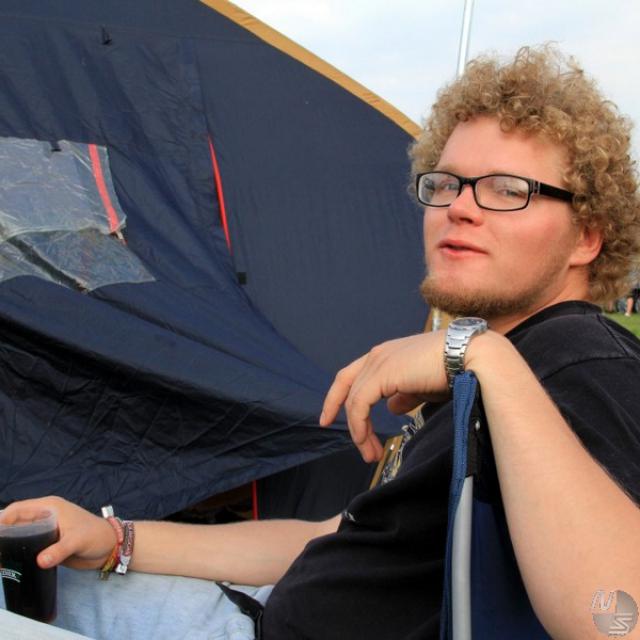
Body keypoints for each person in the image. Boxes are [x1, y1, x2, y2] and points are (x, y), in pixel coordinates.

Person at [2, 45, 640, 640]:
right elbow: (334, 536)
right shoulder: (504, 378)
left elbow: (617, 620)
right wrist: (117, 539)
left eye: (508, 189)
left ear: (587, 238)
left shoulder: (578, 357)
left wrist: (477, 352)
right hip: (255, 608)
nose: (459, 208)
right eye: (446, 183)